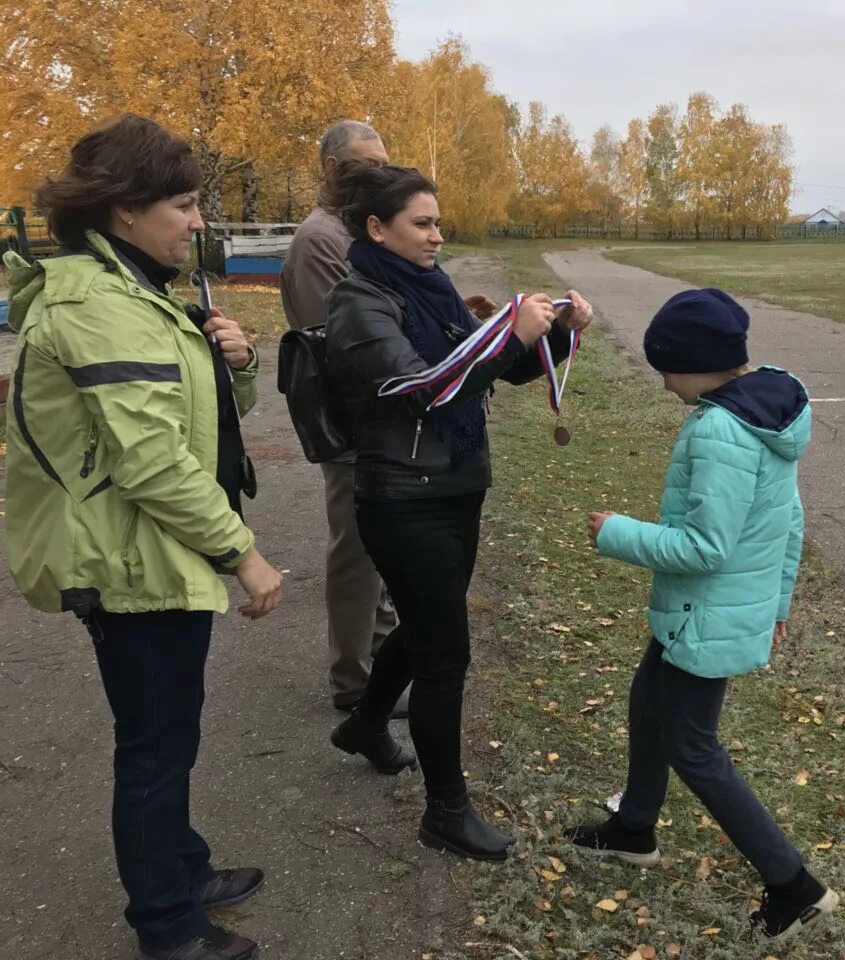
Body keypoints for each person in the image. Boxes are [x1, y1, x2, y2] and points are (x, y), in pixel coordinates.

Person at [2, 114, 283, 960]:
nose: (197, 221)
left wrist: (235, 363)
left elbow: (207, 426)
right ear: (125, 212)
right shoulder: (99, 307)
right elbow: (153, 463)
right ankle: (167, 925)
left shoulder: (138, 292)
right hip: (128, 559)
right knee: (155, 747)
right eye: (185, 204)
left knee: (173, 728)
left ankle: (183, 868)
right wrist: (244, 552)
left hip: (151, 551)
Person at [322, 162, 594, 860]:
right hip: (403, 498)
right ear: (377, 229)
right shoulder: (360, 302)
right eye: (423, 223)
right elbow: (425, 389)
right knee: (445, 652)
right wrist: (507, 333)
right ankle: (446, 810)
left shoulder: (428, 285)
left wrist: (556, 336)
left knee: (424, 623)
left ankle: (367, 722)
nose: (438, 235)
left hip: (452, 484)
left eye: (438, 222)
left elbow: (488, 372)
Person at [565, 288, 838, 944]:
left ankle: (792, 885)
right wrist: (776, 603)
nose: (662, 383)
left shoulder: (722, 429)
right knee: (647, 700)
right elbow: (788, 520)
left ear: (695, 363)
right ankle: (635, 826)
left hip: (704, 616)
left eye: (665, 368)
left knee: (693, 747)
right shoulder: (764, 408)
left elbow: (705, 549)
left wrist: (615, 531)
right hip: (706, 614)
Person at [280, 121, 409, 715]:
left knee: (377, 553)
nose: (379, 173)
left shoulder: (354, 230)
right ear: (332, 167)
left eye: (385, 162)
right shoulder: (320, 240)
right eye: (365, 164)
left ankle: (380, 667)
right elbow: (344, 338)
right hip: (351, 421)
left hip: (379, 419)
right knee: (356, 557)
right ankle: (355, 685)